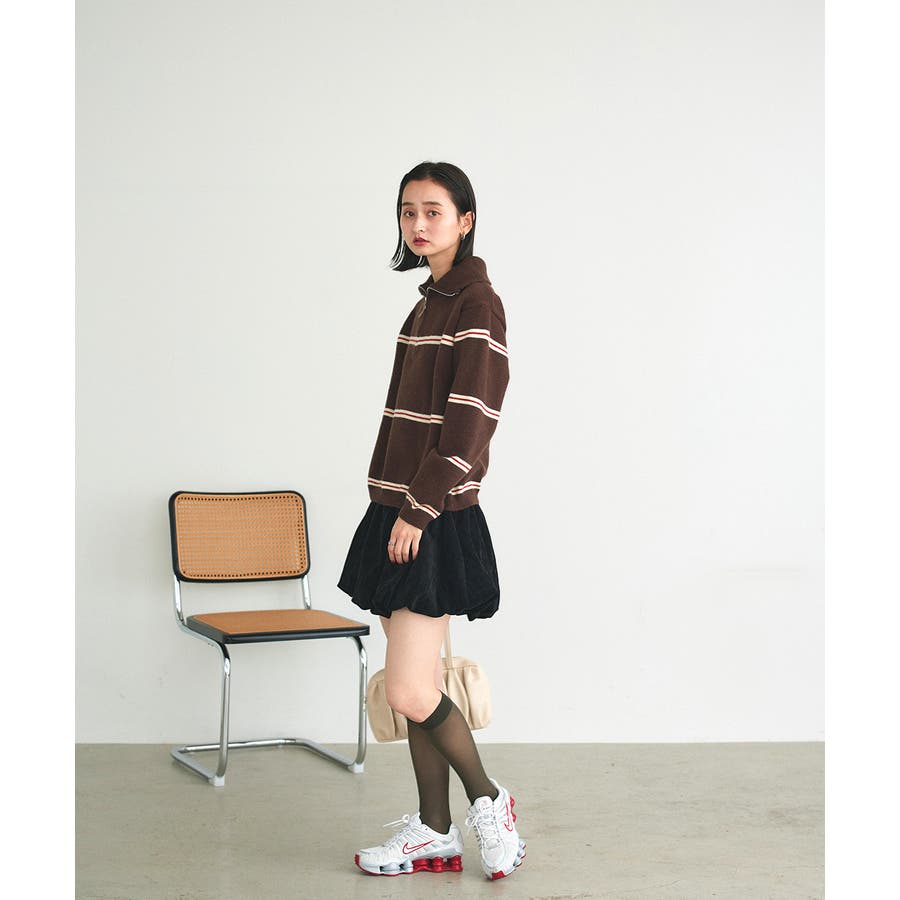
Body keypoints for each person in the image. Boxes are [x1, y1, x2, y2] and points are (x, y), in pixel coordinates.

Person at [337, 161, 525, 880]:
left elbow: (472, 419)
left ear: (465, 221)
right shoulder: (426, 305)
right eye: (408, 211)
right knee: (419, 686)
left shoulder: (476, 302)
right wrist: (395, 504)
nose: (418, 224)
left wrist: (417, 508)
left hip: (430, 516)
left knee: (408, 689)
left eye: (434, 211)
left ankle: (490, 801)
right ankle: (434, 830)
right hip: (396, 508)